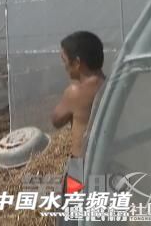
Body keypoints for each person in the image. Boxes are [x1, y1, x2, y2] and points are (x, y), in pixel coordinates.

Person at [51, 31, 105, 225]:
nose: (64, 66)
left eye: (65, 60)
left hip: (80, 168)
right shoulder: (112, 86)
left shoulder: (75, 92)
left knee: (71, 218)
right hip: (109, 163)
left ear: (78, 63)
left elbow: (56, 120)